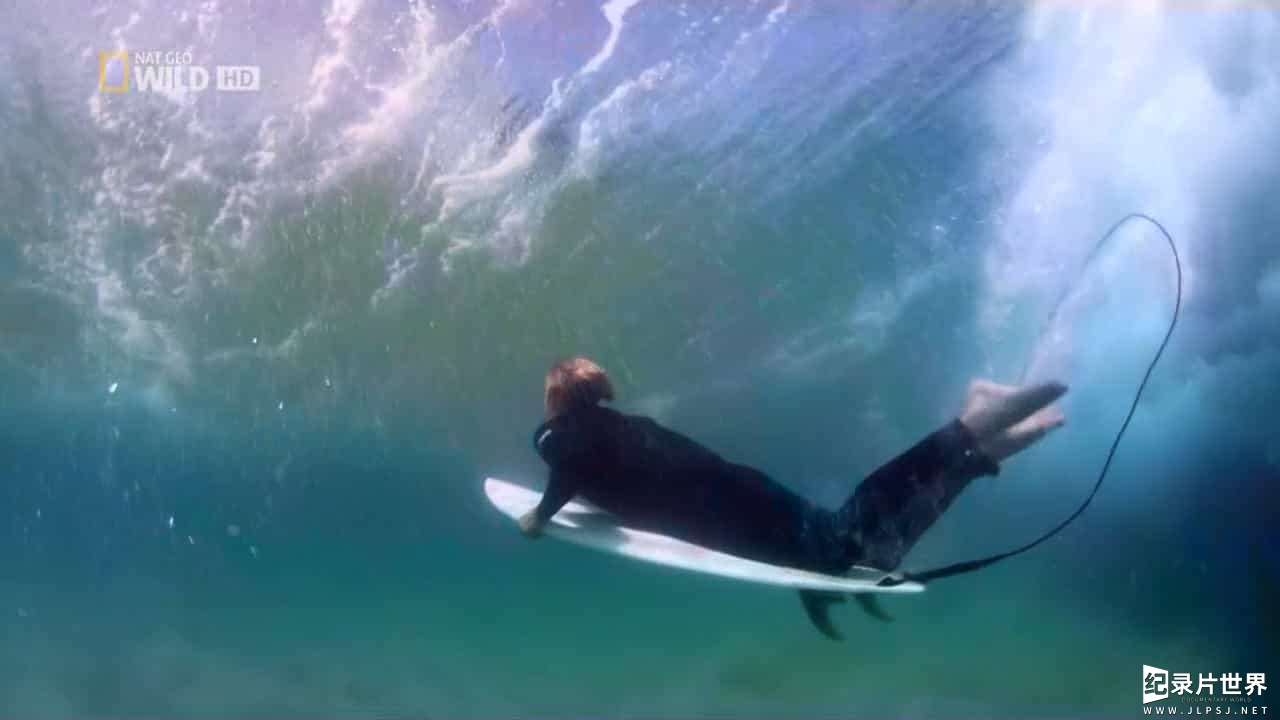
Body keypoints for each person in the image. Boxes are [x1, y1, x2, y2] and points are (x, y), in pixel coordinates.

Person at [519, 357, 1067, 638]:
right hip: (739, 495)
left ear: (557, 400)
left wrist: (539, 518)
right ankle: (973, 458)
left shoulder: (564, 433)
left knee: (842, 538)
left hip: (731, 507)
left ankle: (969, 428)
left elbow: (571, 459)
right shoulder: (614, 427)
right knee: (861, 552)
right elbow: (599, 466)